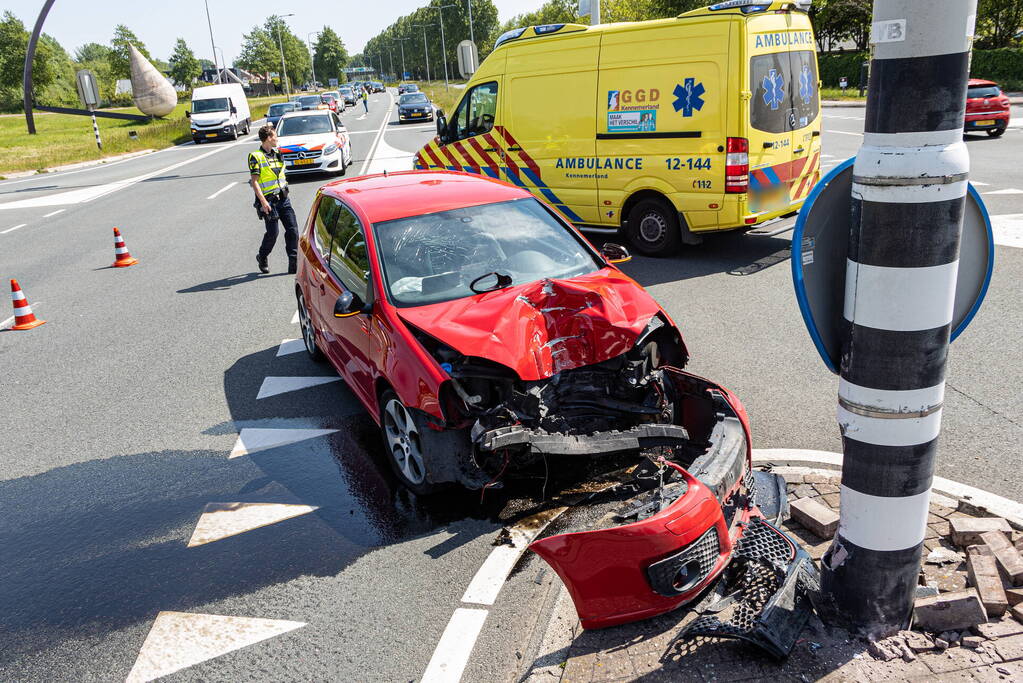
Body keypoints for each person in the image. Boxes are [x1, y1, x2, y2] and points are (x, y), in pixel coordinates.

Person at [248, 124, 298, 274]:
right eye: (275, 136)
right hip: (269, 202)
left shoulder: (278, 153)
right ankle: (262, 256)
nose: (277, 139)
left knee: (293, 230)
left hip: (284, 199)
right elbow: (254, 182)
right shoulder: (256, 156)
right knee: (273, 234)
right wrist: (263, 202)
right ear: (269, 138)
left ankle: (293, 262)